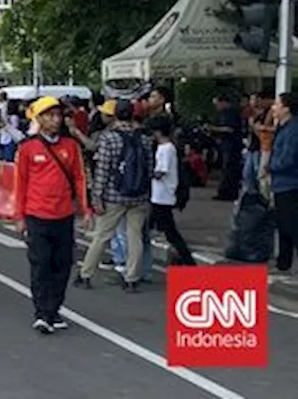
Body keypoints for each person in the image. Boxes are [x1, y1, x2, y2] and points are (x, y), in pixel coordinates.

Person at [13, 97, 87, 334]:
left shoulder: (70, 146)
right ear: (40, 119)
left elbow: (79, 179)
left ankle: (54, 309)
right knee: (41, 264)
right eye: (50, 115)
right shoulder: (27, 148)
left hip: (64, 215)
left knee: (62, 265)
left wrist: (85, 209)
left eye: (58, 115)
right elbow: (20, 182)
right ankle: (42, 312)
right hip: (37, 215)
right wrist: (19, 216)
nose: (55, 120)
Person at [75, 99, 153, 293]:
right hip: (139, 196)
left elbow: (102, 170)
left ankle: (86, 274)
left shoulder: (108, 138)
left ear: (115, 114)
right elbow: (149, 169)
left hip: (113, 195)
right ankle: (132, 277)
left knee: (102, 236)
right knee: (135, 236)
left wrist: (96, 197)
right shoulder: (144, 139)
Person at [148, 113, 196, 266]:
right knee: (164, 229)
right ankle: (181, 257)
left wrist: (146, 174)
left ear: (158, 131)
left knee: (169, 231)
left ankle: (186, 259)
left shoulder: (166, 149)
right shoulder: (167, 148)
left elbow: (161, 172)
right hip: (160, 195)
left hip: (162, 195)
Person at [270, 93, 297, 273]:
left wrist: (270, 165)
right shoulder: (283, 127)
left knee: (291, 225)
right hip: (281, 183)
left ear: (286, 108)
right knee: (283, 225)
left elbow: (288, 158)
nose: (274, 108)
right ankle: (283, 263)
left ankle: (285, 262)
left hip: (290, 183)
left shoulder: (293, 130)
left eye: (277, 104)